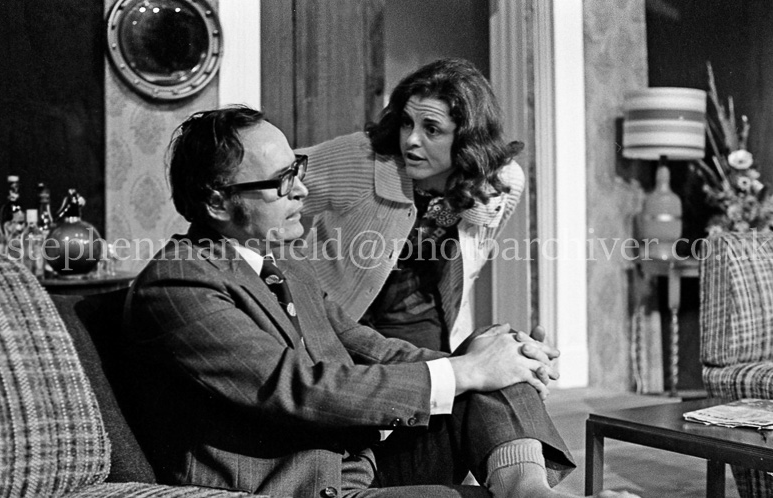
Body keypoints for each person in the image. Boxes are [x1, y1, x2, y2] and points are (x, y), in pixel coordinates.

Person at [123, 106, 636, 498]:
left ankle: (530, 492)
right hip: (297, 487)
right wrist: (466, 370)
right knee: (472, 375)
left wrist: (496, 361)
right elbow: (299, 389)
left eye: (296, 168)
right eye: (281, 182)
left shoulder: (282, 261)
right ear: (217, 201)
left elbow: (369, 345)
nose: (302, 190)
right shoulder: (180, 282)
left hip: (359, 464)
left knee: (489, 353)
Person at [298, 58, 524, 353]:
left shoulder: (500, 183)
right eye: (407, 122)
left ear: (468, 138)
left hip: (419, 317)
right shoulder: (362, 158)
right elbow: (268, 182)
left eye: (432, 129)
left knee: (434, 380)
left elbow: (476, 250)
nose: (412, 140)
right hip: (336, 315)